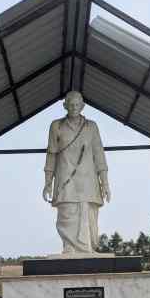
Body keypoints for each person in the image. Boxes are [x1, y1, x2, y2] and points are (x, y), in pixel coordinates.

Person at [42, 91, 111, 254]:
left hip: (88, 179)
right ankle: (69, 247)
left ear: (83, 106)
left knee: (88, 214)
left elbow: (99, 154)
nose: (74, 107)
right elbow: (51, 155)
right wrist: (47, 183)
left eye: (77, 104)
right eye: (70, 104)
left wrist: (105, 183)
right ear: (65, 106)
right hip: (65, 177)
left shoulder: (91, 127)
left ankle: (87, 247)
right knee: (66, 213)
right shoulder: (56, 126)